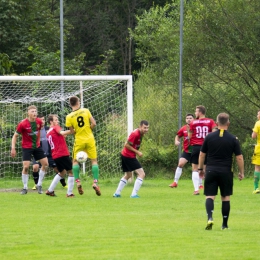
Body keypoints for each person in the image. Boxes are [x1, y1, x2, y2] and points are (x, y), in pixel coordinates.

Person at [198, 113, 244, 230]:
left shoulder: (209, 137)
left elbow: (202, 154)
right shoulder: (233, 139)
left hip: (211, 170)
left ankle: (210, 218)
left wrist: (200, 169)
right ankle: (224, 224)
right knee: (225, 197)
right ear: (228, 123)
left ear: (217, 124)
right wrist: (241, 172)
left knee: (209, 196)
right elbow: (239, 157)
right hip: (226, 172)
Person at [65, 96, 101, 196]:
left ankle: (78, 182)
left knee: (75, 161)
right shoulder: (86, 111)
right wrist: (89, 129)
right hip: (89, 139)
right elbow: (94, 123)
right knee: (94, 160)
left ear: (71, 104)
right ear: (78, 102)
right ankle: (95, 182)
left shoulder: (69, 117)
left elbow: (72, 131)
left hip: (79, 140)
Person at [11, 105, 48, 195]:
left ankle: (39, 185)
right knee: (26, 167)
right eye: (32, 111)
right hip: (27, 147)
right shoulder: (22, 124)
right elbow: (15, 136)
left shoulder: (39, 122)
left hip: (37, 146)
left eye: (35, 111)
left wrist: (38, 142)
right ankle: (25, 187)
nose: (34, 113)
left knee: (46, 164)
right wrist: (13, 148)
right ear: (28, 113)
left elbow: (38, 132)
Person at [113, 120, 149, 198]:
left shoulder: (140, 134)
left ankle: (117, 193)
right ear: (140, 127)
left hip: (125, 155)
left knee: (128, 175)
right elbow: (126, 145)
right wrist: (137, 152)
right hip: (128, 156)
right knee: (141, 174)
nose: (146, 129)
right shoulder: (135, 134)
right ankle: (134, 194)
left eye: (147, 128)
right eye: (144, 128)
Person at [31, 114, 67, 190]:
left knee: (57, 168)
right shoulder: (34, 130)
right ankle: (37, 184)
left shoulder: (49, 129)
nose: (42, 121)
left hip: (49, 153)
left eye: (43, 119)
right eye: (40, 120)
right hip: (38, 153)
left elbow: (58, 134)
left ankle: (64, 184)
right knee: (35, 167)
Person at [169, 114, 203, 188]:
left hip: (196, 150)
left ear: (193, 119)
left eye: (190, 118)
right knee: (180, 163)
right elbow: (177, 136)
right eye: (187, 118)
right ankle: (175, 182)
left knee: (197, 167)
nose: (188, 119)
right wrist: (176, 141)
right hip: (187, 151)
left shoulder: (197, 127)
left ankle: (200, 184)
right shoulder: (183, 128)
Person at [188, 105, 217, 195]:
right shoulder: (211, 121)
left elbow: (189, 136)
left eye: (196, 111)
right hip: (207, 147)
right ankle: (208, 188)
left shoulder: (193, 123)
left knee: (195, 168)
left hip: (196, 147)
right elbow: (215, 132)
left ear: (200, 112)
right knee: (207, 168)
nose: (195, 113)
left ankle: (196, 189)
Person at [45, 114, 75, 197]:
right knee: (71, 172)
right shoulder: (55, 127)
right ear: (51, 122)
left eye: (57, 119)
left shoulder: (48, 132)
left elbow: (62, 135)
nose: (57, 121)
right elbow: (63, 132)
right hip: (62, 153)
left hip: (55, 155)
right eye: (55, 120)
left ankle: (50, 190)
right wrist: (75, 129)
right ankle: (69, 193)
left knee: (62, 172)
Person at [251, 110, 260, 194]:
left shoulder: (258, 123)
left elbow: (253, 136)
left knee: (257, 168)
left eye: (258, 114)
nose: (257, 115)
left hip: (259, 148)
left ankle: (256, 187)